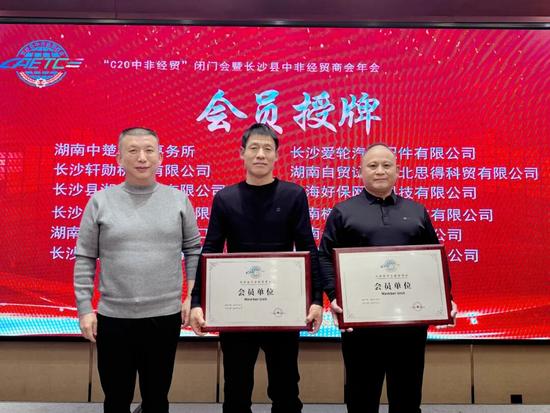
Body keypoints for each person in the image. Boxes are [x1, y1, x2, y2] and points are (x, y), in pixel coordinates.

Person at [189, 123, 324, 413]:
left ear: (276, 155)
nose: (260, 154)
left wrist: (316, 300)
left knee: (286, 388)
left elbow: (307, 248)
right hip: (237, 308)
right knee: (236, 389)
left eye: (267, 149)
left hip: (283, 308)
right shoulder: (225, 198)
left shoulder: (293, 195)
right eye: (254, 148)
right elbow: (210, 250)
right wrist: (197, 301)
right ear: (242, 153)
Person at [319, 143, 457, 413]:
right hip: (361, 325)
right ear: (360, 172)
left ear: (397, 171)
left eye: (386, 165)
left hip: (409, 325)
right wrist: (334, 296)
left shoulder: (416, 211)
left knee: (407, 399)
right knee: (361, 399)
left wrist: (446, 299)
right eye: (372, 166)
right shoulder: (343, 211)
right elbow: (324, 257)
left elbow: (434, 261)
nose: (380, 171)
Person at [74, 127, 201, 413]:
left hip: (164, 317)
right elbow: (85, 257)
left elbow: (193, 250)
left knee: (156, 399)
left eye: (148, 150)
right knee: (116, 399)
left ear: (160, 157)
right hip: (113, 318)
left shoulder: (179, 200)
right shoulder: (100, 201)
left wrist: (191, 296)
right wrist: (84, 308)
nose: (141, 158)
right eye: (132, 151)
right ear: (119, 158)